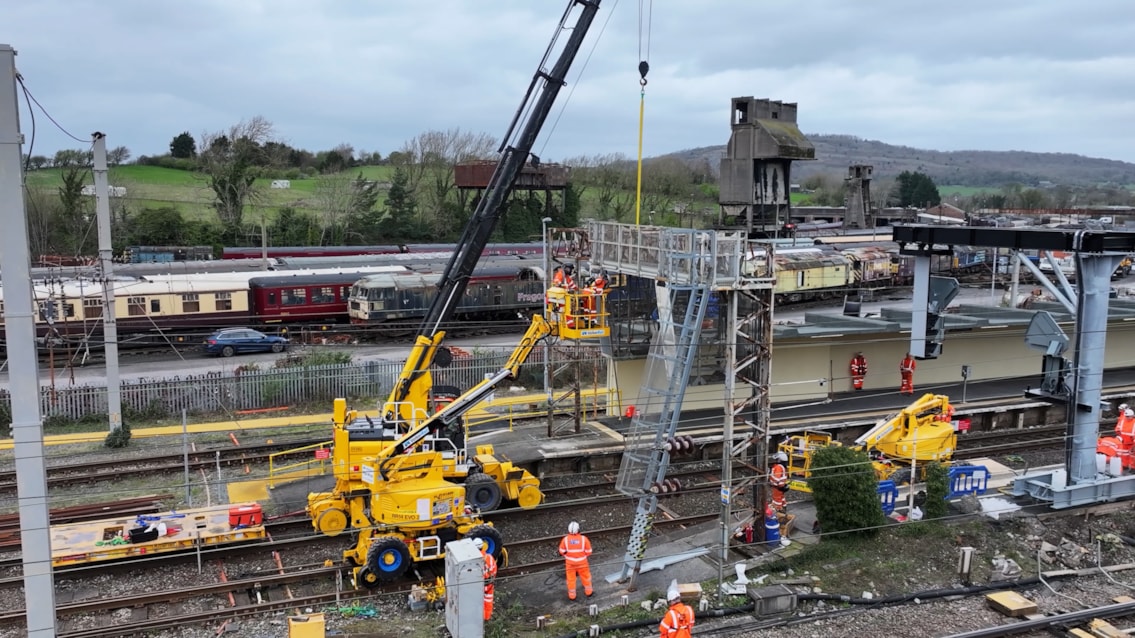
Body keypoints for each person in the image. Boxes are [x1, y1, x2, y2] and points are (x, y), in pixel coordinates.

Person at [558, 521, 593, 600]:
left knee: (571, 579)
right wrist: (582, 555)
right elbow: (589, 551)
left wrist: (567, 555)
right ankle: (589, 592)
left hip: (570, 563)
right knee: (586, 577)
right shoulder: (584, 539)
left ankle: (572, 596)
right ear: (578, 529)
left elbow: (561, 551)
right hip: (582, 563)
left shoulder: (565, 539)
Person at [474, 538, 497, 621]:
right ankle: (486, 618)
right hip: (489, 584)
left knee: (476, 601)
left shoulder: (473, 561)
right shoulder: (489, 558)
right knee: (488, 600)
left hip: (477, 586)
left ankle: (477, 619)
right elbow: (494, 570)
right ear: (482, 546)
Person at [769, 451, 788, 517]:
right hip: (781, 486)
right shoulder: (782, 467)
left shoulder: (778, 467)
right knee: (781, 498)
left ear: (779, 459)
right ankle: (783, 509)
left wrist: (770, 475)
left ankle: (779, 512)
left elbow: (776, 478)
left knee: (777, 500)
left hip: (777, 487)